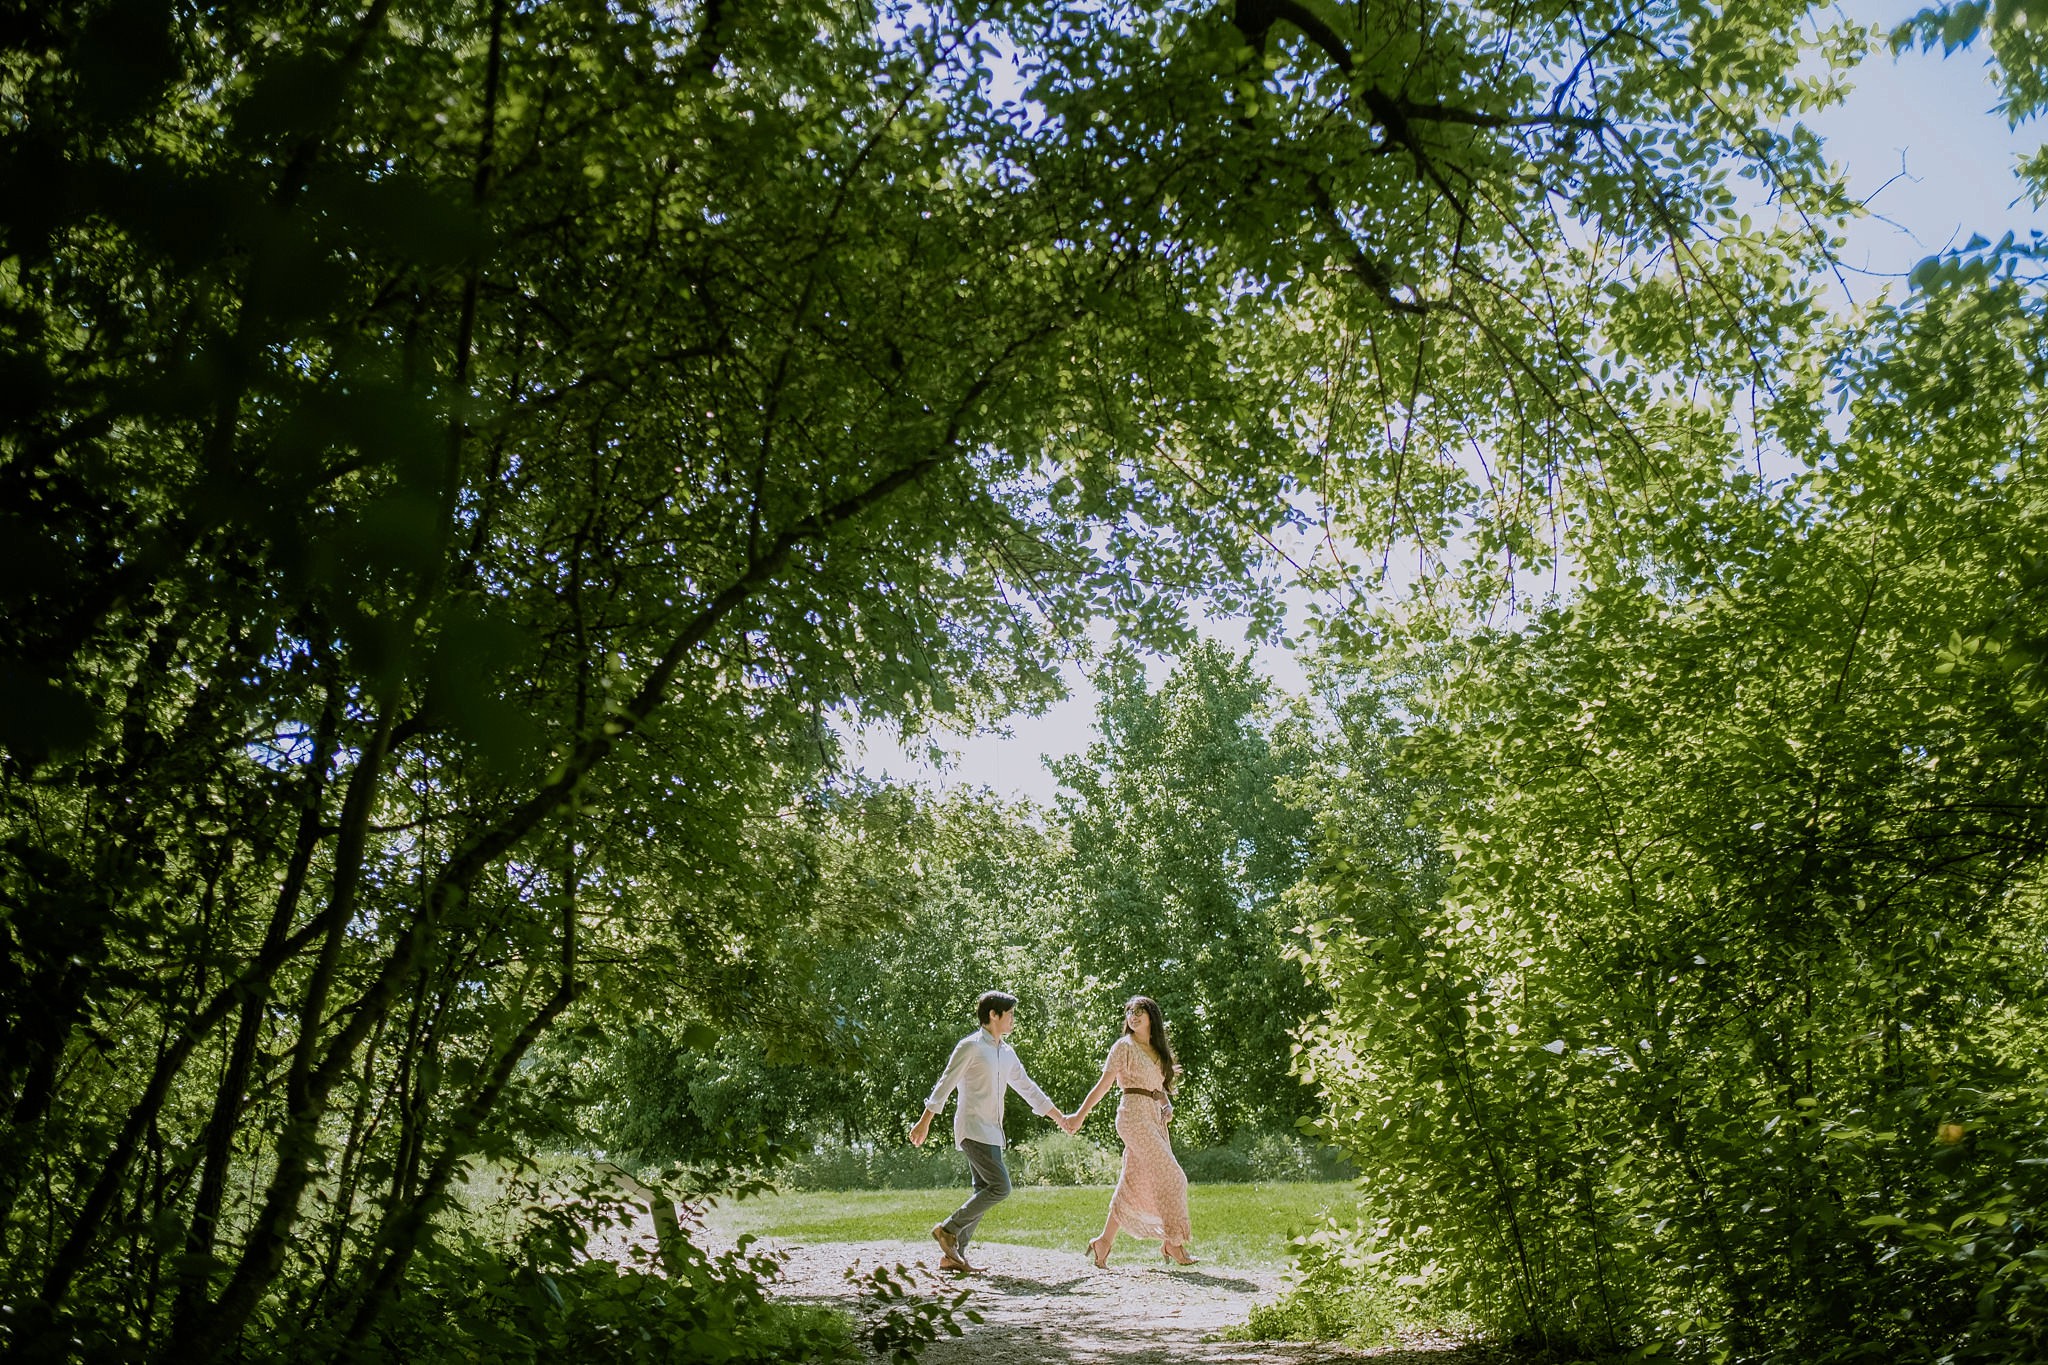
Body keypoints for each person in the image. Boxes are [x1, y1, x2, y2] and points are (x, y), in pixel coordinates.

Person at [910, 990, 1076, 1273]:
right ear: (993, 1015)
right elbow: (945, 1084)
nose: (1012, 1020)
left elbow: (1027, 1088)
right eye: (1009, 1014)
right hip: (972, 1128)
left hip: (993, 1132)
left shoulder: (1006, 1053)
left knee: (983, 1190)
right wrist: (925, 1120)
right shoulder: (971, 1046)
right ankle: (948, 1229)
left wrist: (1059, 1118)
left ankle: (954, 1255)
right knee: (1000, 1187)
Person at [1065, 995, 1195, 1267]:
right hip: (1133, 1117)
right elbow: (1103, 1085)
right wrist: (1079, 1115)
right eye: (1129, 1012)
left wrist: (1165, 1104)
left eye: (1139, 1012)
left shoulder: (1158, 1052)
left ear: (1151, 1017)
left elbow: (1157, 1088)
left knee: (1132, 1181)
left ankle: (1103, 1242)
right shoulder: (1124, 1047)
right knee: (1174, 1177)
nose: (1133, 1017)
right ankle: (1173, 1243)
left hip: (1153, 1117)